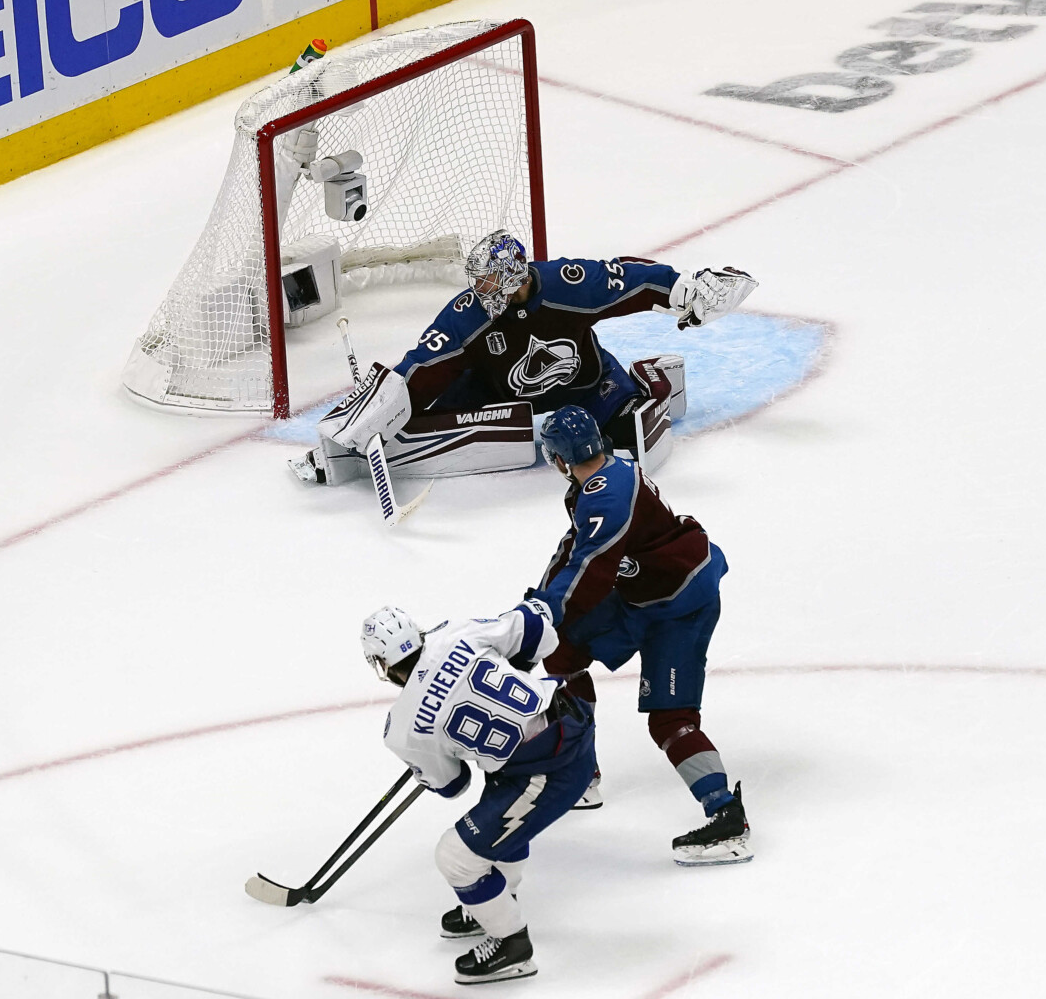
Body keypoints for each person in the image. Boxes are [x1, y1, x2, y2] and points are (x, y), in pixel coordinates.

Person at [291, 231, 756, 484]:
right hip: (496, 394)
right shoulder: (468, 314)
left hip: (586, 384)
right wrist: (358, 424)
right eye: (479, 283)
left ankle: (645, 384)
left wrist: (686, 290)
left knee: (623, 438)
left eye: (492, 283)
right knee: (416, 414)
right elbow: (419, 367)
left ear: (517, 277)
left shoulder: (567, 284)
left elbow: (626, 279)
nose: (481, 292)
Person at [527, 405, 752, 867]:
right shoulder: (600, 479)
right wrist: (536, 607)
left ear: (559, 458)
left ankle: (728, 817)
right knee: (562, 648)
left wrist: (538, 616)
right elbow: (576, 551)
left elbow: (590, 568)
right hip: (643, 592)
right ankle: (579, 773)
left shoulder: (607, 495)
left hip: (681, 607)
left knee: (670, 720)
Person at [362, 598, 597, 985]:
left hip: (552, 770)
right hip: (572, 717)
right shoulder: (455, 633)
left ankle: (512, 946)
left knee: (456, 857)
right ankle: (499, 902)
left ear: (382, 664)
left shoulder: (402, 728)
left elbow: (453, 785)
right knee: (497, 800)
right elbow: (539, 632)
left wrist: (434, 747)